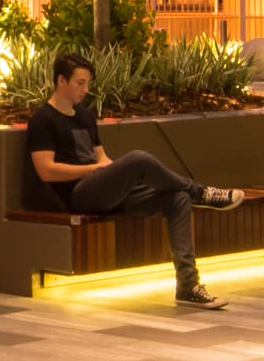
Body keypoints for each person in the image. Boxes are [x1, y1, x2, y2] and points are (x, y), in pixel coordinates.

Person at [23, 50, 245, 307]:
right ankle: (203, 193)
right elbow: (46, 170)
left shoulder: (85, 116)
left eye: (88, 84)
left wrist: (113, 173)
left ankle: (187, 286)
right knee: (138, 158)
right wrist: (94, 171)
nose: (85, 89)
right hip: (78, 195)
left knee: (178, 199)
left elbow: (101, 158)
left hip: (102, 188)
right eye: (79, 83)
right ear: (61, 81)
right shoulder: (43, 119)